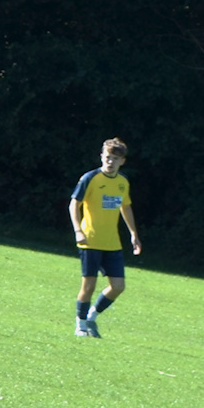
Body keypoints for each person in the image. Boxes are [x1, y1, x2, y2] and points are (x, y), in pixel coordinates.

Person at [70, 138, 142, 337]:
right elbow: (73, 204)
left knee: (118, 286)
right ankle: (80, 325)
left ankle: (92, 317)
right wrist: (78, 230)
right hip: (90, 240)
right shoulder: (90, 178)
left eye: (115, 159)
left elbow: (125, 206)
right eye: (108, 157)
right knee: (89, 285)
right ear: (102, 156)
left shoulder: (122, 182)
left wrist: (133, 234)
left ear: (122, 162)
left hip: (112, 243)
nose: (110, 162)